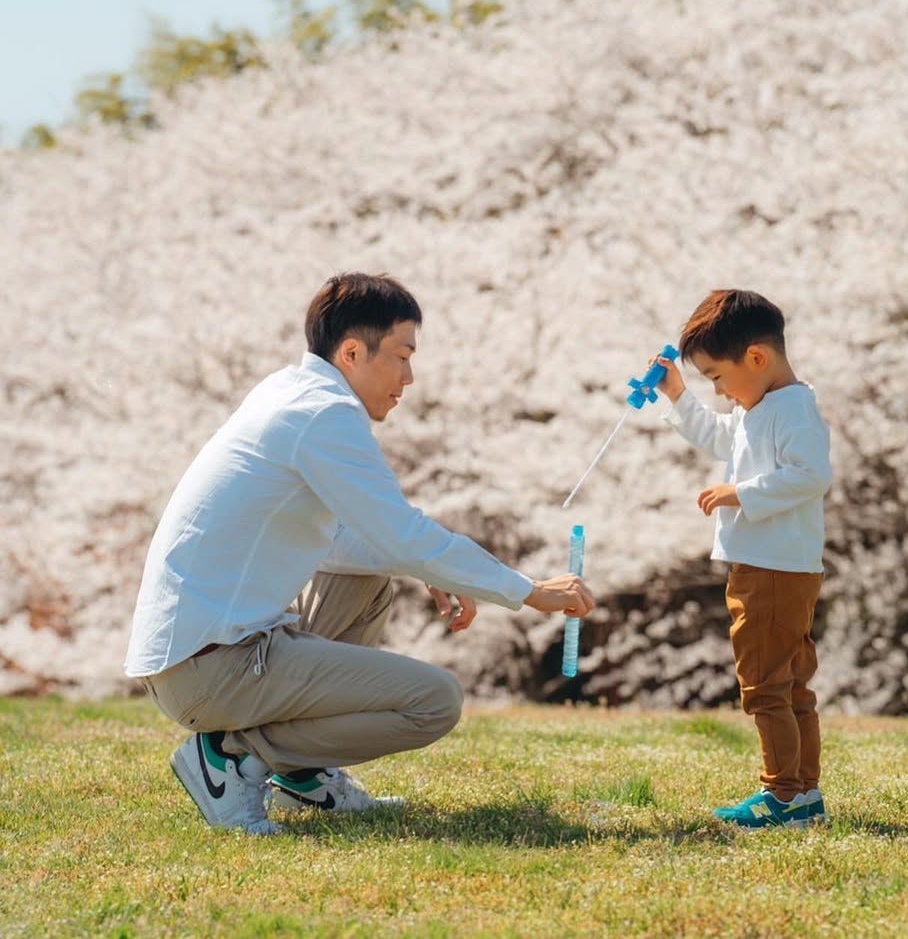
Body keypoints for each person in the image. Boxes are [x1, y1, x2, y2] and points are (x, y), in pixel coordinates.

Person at [124, 272, 595, 835]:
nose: (410, 378)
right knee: (435, 701)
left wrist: (419, 565)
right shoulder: (325, 415)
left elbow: (353, 539)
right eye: (401, 356)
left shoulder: (288, 391)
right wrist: (528, 591)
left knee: (371, 580)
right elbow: (400, 531)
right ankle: (231, 760)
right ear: (351, 352)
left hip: (198, 654)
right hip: (212, 667)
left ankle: (302, 779)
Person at [655, 289, 831, 830]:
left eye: (716, 377)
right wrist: (678, 395)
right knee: (790, 682)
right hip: (770, 565)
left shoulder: (792, 409)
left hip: (773, 568)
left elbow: (810, 475)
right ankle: (802, 792)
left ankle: (782, 794)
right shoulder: (758, 407)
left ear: (756, 358)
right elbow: (717, 435)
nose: (720, 391)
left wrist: (740, 492)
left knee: (764, 683)